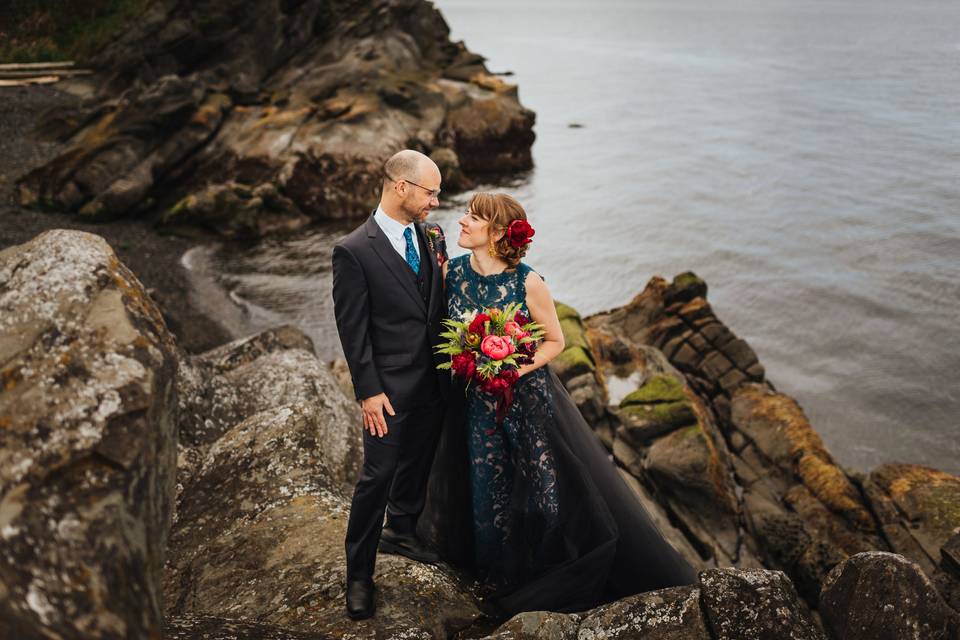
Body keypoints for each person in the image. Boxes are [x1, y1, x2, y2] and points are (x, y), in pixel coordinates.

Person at [419, 192, 699, 616]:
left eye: (473, 217)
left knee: (544, 495)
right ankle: (494, 571)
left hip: (527, 406)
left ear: (496, 233)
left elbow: (556, 341)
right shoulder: (452, 274)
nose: (462, 221)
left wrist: (511, 369)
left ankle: (547, 571)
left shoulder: (527, 282)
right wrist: (469, 363)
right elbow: (442, 334)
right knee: (483, 487)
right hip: (474, 407)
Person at [331, 149, 450, 620]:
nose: (436, 203)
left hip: (433, 385)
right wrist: (368, 392)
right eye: (430, 192)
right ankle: (358, 575)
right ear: (401, 186)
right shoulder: (353, 250)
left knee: (418, 462)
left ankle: (401, 530)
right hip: (388, 391)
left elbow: (436, 304)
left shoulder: (432, 236)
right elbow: (352, 328)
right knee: (377, 476)